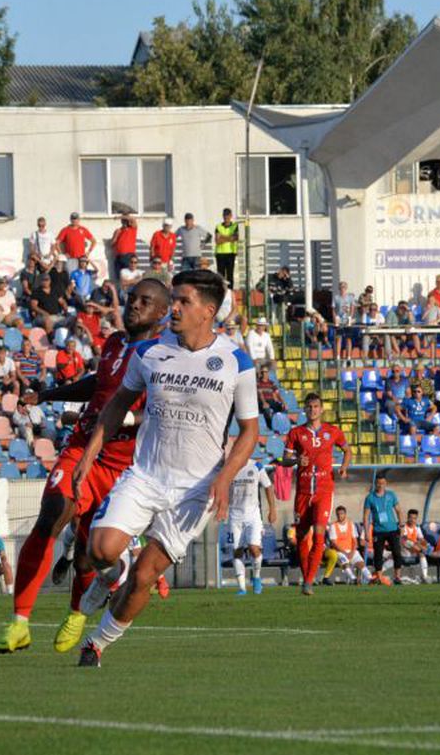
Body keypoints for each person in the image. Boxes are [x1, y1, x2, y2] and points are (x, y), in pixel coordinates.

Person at [73, 270, 257, 667]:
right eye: (173, 299)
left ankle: (97, 644)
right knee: (101, 550)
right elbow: (118, 403)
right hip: (146, 475)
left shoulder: (236, 362)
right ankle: (110, 574)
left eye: (183, 301)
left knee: (144, 576)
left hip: (196, 489)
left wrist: (225, 477)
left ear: (208, 311)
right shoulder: (150, 352)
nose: (172, 308)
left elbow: (249, 431)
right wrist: (89, 455)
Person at [0, 279, 169, 656]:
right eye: (133, 299)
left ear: (162, 313)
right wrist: (48, 394)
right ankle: (19, 621)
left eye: (145, 301)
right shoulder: (117, 343)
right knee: (53, 513)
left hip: (125, 467)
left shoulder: (165, 355)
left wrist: (124, 422)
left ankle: (77, 613)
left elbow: (159, 412)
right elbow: (99, 385)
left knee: (91, 550)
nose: (134, 305)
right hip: (84, 449)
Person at [283, 393, 351, 595]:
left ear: (321, 409)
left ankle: (309, 582)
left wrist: (344, 468)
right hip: (303, 492)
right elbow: (285, 460)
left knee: (320, 535)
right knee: (303, 538)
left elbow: (347, 450)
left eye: (316, 406)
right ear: (305, 410)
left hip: (324, 490)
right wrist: (296, 461)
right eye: (309, 406)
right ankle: (307, 578)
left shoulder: (332, 432)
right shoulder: (296, 433)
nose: (313, 410)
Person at [226, 457, 275, 595]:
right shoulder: (230, 466)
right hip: (234, 516)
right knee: (237, 551)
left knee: (254, 548)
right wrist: (222, 508)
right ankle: (242, 588)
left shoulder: (257, 466)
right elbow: (222, 487)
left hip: (253, 516)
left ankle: (257, 577)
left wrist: (272, 509)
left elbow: (268, 486)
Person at [362, 473, 403, 586]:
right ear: (375, 484)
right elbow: (365, 516)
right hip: (378, 531)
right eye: (378, 483)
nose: (380, 485)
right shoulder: (370, 497)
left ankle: (397, 577)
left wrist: (401, 525)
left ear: (386, 484)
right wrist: (366, 532)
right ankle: (379, 577)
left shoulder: (391, 495)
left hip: (392, 529)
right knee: (378, 555)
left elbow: (399, 510)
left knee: (397, 553)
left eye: (382, 483)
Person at [322, 505, 370, 585]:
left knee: (361, 563)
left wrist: (352, 551)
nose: (340, 516)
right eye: (338, 514)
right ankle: (353, 579)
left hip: (351, 550)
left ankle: (370, 578)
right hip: (340, 551)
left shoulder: (351, 525)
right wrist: (345, 552)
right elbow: (334, 543)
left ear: (345, 514)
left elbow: (355, 541)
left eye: (341, 514)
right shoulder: (333, 526)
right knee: (345, 562)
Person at [398, 509, 432, 583]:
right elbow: (404, 539)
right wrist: (419, 545)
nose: (412, 520)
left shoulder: (417, 527)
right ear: (407, 517)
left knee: (422, 552)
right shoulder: (403, 526)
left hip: (414, 549)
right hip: (404, 550)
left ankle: (424, 576)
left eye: (414, 518)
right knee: (408, 542)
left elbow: (421, 539)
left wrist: (426, 544)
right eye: (410, 517)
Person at [214, 208, 239, 288]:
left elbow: (235, 238)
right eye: (225, 215)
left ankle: (230, 293)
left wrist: (222, 237)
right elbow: (217, 241)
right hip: (220, 253)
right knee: (220, 276)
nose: (226, 217)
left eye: (228, 215)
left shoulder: (235, 226)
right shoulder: (218, 226)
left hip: (231, 254)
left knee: (230, 275)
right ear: (222, 216)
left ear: (231, 216)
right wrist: (229, 238)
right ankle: (221, 293)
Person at [110, 214, 138, 280]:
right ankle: (120, 290)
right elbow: (112, 244)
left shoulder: (132, 229)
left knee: (129, 276)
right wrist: (116, 236)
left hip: (128, 256)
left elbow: (133, 219)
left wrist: (119, 216)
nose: (125, 222)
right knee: (119, 277)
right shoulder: (118, 230)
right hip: (118, 257)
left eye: (126, 220)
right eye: (123, 220)